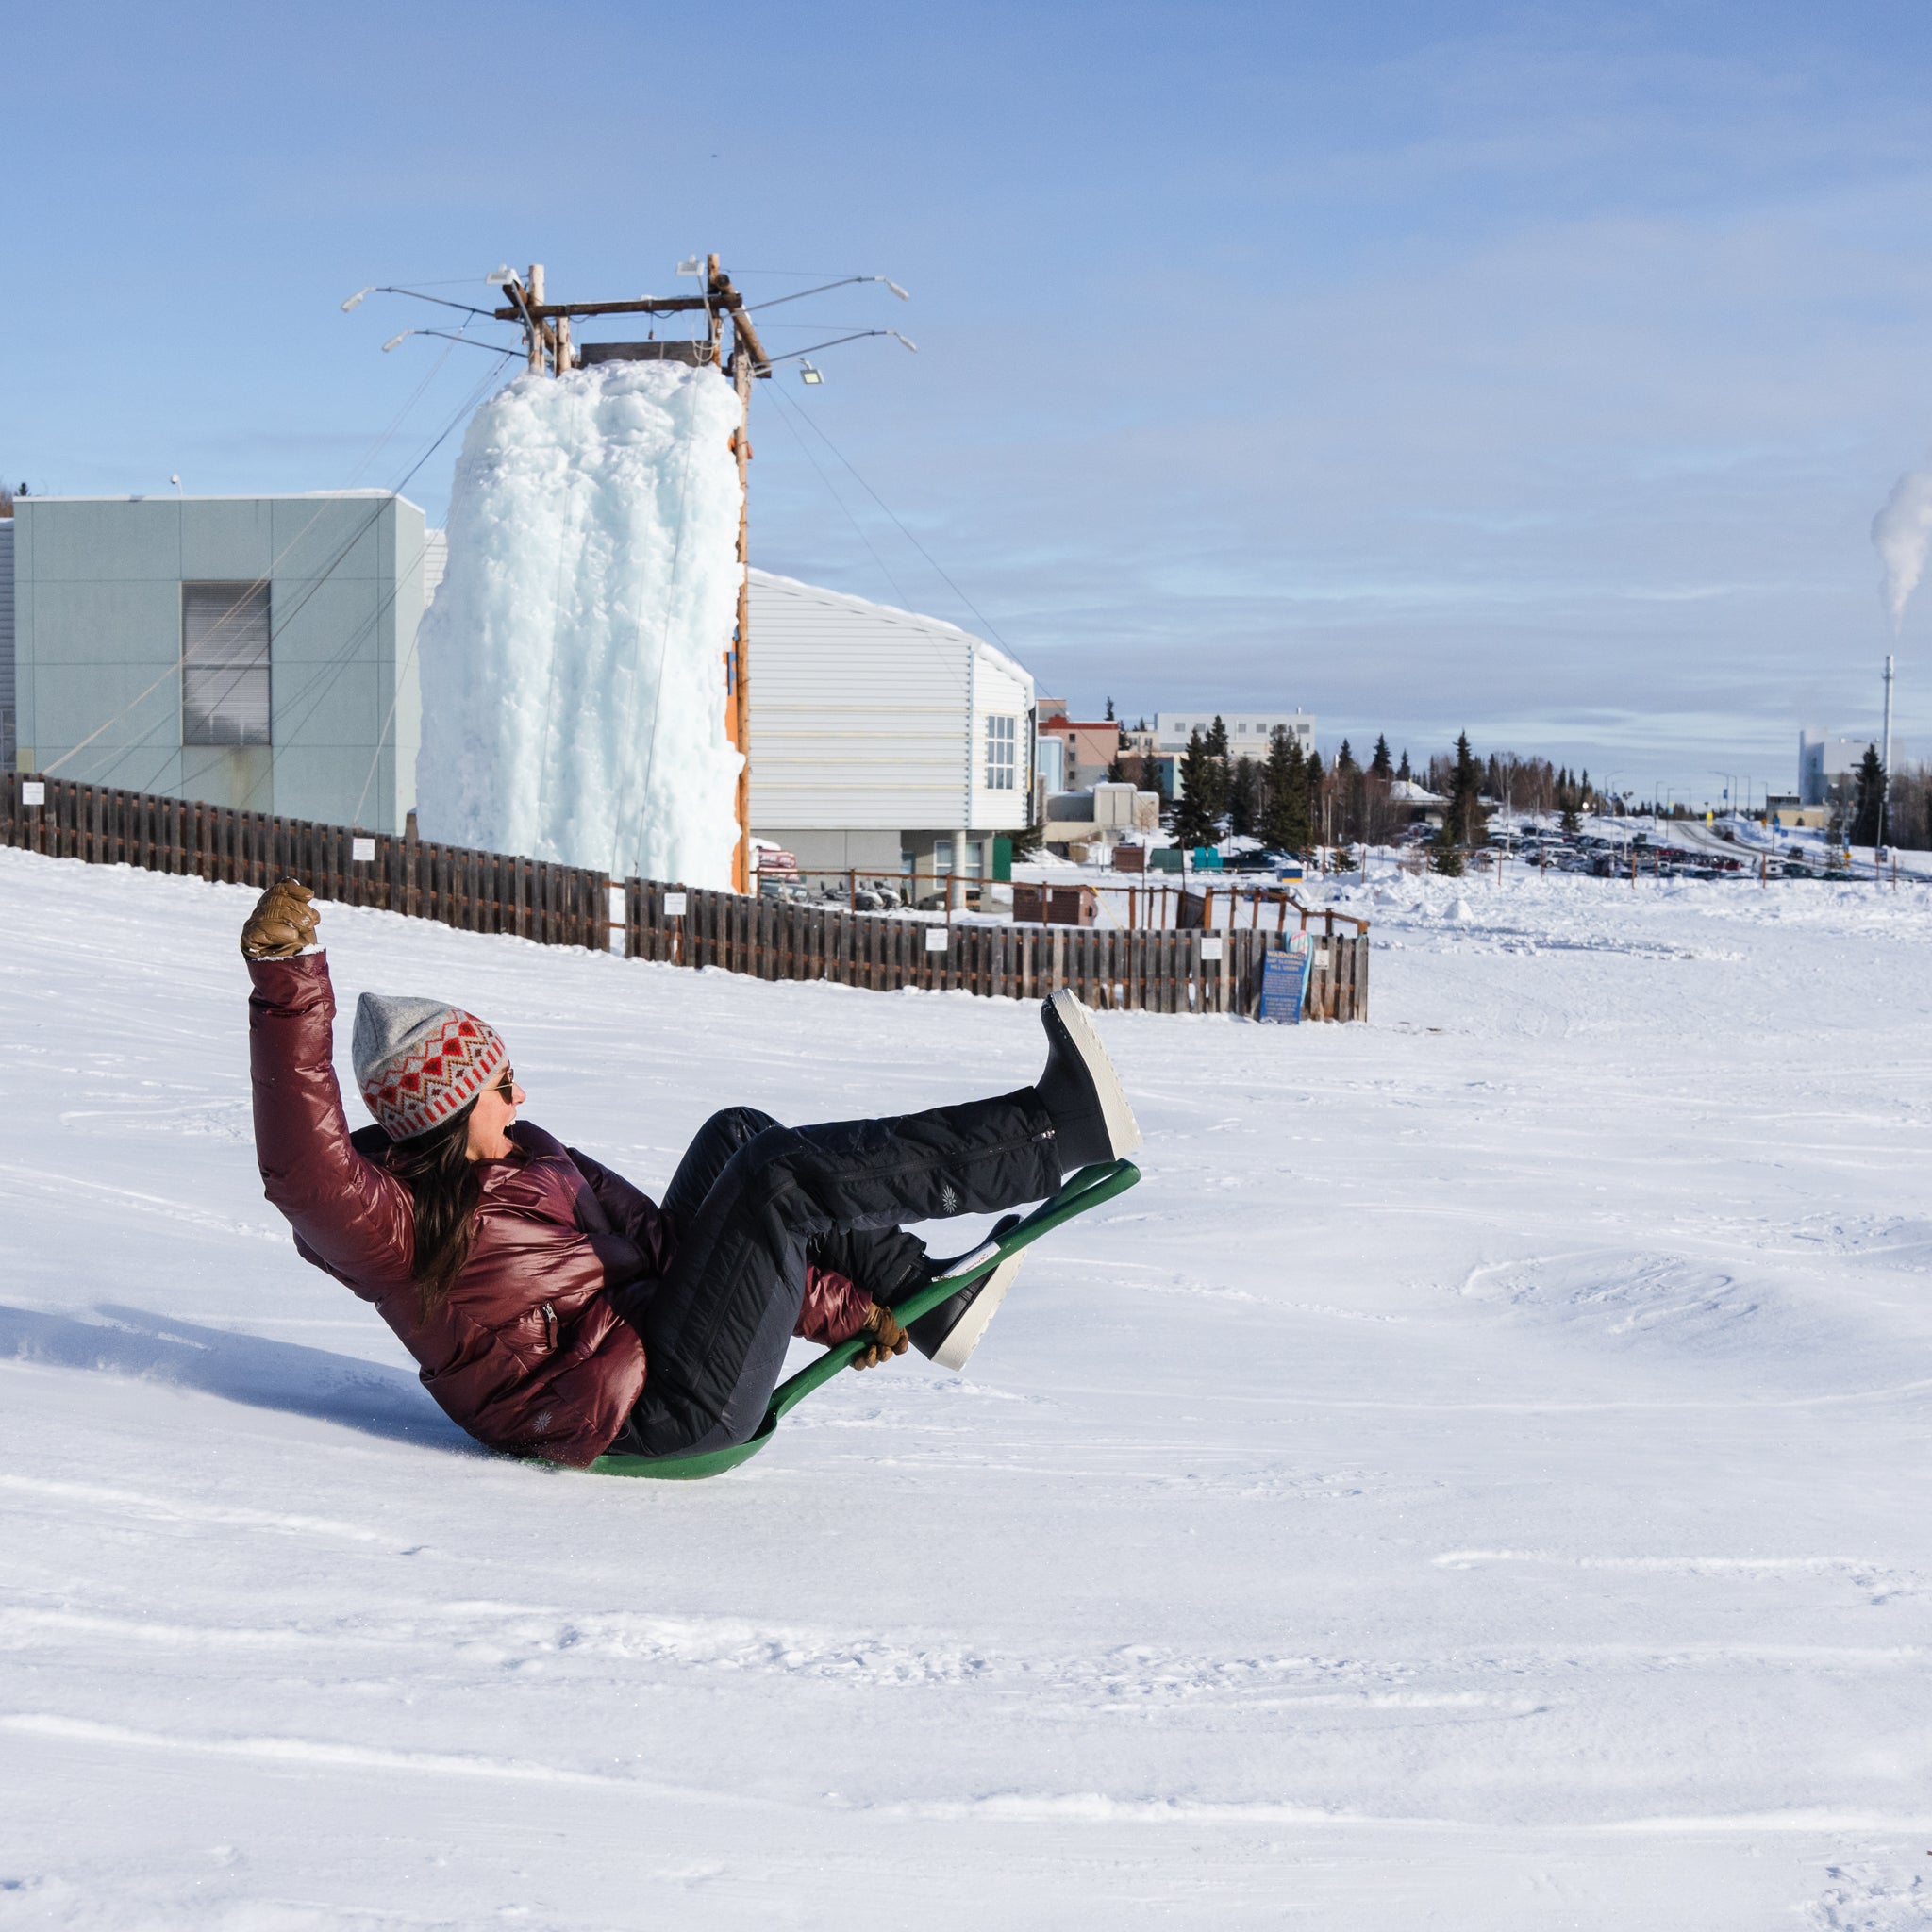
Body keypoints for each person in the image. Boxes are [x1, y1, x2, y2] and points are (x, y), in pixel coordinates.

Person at [241, 877, 1141, 1468]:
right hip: (643, 1418)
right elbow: (302, 1169)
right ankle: (1050, 1135)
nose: (520, 1095)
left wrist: (846, 1309)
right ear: (445, 1111)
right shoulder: (392, 1230)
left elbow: (676, 1253)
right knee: (773, 1179)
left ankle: (933, 1296)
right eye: (500, 1083)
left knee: (737, 1138)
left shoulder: (531, 1153)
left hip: (656, 1350)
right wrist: (289, 983)